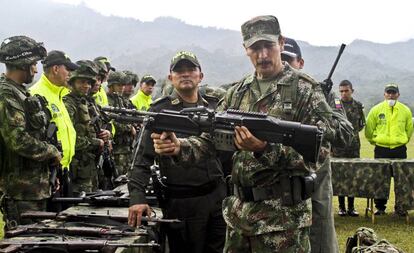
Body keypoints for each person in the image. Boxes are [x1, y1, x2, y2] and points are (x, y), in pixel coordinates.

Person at [149, 16, 341, 252]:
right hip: (239, 216)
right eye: (255, 48)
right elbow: (211, 140)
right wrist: (180, 147)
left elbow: (318, 154)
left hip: (282, 222)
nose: (262, 55)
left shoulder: (305, 90)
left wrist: (264, 150)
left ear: (281, 43)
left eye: (268, 46)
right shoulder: (237, 92)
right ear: (246, 50)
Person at [128, 51, 226, 253]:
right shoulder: (160, 111)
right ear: (171, 78)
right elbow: (141, 160)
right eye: (179, 70)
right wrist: (137, 199)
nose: (185, 74)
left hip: (219, 198)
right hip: (182, 202)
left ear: (201, 76)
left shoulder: (216, 106)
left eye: (191, 69)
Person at [282, 36, 340, 252]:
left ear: (301, 63)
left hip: (315, 172)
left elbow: (343, 132)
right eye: (281, 59)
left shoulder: (318, 91)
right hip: (282, 175)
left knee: (320, 228)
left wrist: (323, 110)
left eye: (289, 59)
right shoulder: (268, 92)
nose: (285, 64)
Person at [0, 36, 61, 229]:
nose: (36, 69)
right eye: (33, 64)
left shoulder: (21, 93)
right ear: (23, 64)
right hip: (20, 192)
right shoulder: (6, 95)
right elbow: (18, 140)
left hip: (35, 188)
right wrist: (51, 152)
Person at [30, 50, 78, 191]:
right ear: (55, 69)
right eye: (67, 69)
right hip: (47, 174)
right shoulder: (36, 95)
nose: (70, 74)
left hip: (63, 170)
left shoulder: (59, 94)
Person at [63, 60, 111, 194]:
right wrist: (95, 142)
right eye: (81, 82)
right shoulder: (68, 104)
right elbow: (68, 138)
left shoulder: (87, 102)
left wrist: (106, 135)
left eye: (89, 82)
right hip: (77, 170)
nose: (86, 86)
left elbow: (96, 128)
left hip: (91, 166)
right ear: (72, 82)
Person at [365, 83, 413, 216]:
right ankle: (380, 208)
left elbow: (409, 130)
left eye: (393, 92)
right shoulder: (376, 110)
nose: (391, 95)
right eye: (388, 92)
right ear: (384, 94)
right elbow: (369, 130)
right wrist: (375, 141)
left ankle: (400, 207)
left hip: (399, 149)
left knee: (401, 180)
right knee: (380, 178)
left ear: (398, 94)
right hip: (381, 149)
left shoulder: (405, 110)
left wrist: (402, 140)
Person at [332, 80, 365, 217]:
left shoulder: (358, 106)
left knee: (352, 176)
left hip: (353, 146)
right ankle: (341, 207)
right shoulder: (335, 105)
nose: (344, 93)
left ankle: (351, 207)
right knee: (340, 176)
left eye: (346, 90)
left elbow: (361, 124)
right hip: (338, 147)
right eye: (341, 91)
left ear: (352, 90)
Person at [107, 71, 136, 176]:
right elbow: (111, 121)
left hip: (126, 146)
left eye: (123, 85)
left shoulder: (120, 99)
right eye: (119, 85)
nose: (122, 88)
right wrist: (129, 127)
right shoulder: (107, 100)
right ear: (111, 85)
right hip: (116, 148)